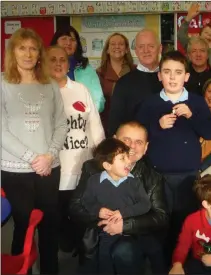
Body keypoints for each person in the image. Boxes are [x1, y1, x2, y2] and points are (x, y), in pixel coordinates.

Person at [135, 50, 211, 260]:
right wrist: (157, 126)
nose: (172, 77)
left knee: (186, 223)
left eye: (178, 72)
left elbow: (210, 133)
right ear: (159, 75)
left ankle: (184, 264)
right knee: (161, 224)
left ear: (186, 77)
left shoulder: (197, 103)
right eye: (167, 72)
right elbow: (137, 135)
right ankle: (162, 265)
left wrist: (191, 116)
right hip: (158, 175)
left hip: (188, 175)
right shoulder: (150, 103)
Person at [1, 28, 68, 274]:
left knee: (50, 228)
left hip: (50, 168)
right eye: (22, 48)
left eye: (33, 48)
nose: (28, 54)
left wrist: (49, 156)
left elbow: (61, 123)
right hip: (15, 171)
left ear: (39, 53)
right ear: (12, 52)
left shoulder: (49, 84)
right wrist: (33, 159)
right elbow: (1, 132)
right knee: (22, 227)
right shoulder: (2, 83)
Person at [70, 121, 168, 274]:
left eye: (139, 142)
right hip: (98, 232)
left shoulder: (152, 178)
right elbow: (76, 206)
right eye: (126, 140)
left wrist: (124, 225)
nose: (131, 147)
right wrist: (100, 217)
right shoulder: (92, 168)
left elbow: (160, 217)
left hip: (135, 235)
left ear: (146, 147)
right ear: (114, 139)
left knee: (123, 250)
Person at [47, 45, 105, 252]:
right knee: (58, 216)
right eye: (52, 59)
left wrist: (101, 158)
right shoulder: (41, 92)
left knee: (82, 215)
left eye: (62, 59)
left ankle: (83, 254)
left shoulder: (80, 89)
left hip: (82, 165)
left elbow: (95, 125)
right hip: (54, 168)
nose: (58, 64)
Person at [81, 137, 151, 274]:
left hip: (130, 232)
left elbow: (145, 204)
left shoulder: (133, 182)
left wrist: (122, 213)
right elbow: (86, 200)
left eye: (127, 157)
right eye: (122, 159)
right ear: (107, 165)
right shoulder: (94, 181)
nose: (129, 161)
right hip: (105, 232)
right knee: (104, 261)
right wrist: (98, 210)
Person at [108, 29, 163, 136]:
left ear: (160, 49)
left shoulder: (172, 80)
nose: (146, 50)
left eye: (151, 46)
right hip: (135, 148)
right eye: (141, 47)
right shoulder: (123, 84)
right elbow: (114, 126)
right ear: (136, 51)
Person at [51, 26, 105, 113]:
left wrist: (86, 116)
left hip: (81, 122)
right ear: (55, 42)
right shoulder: (45, 67)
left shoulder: (86, 69)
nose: (68, 43)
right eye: (64, 38)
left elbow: (99, 100)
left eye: (72, 40)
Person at [97, 33, 136, 135]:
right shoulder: (99, 73)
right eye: (113, 44)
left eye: (121, 44)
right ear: (107, 50)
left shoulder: (135, 71)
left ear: (127, 49)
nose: (117, 47)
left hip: (132, 127)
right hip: (107, 127)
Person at [178, 3, 211, 70]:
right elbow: (181, 35)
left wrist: (209, 48)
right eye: (206, 32)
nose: (209, 35)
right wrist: (188, 18)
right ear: (199, 35)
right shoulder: (191, 44)